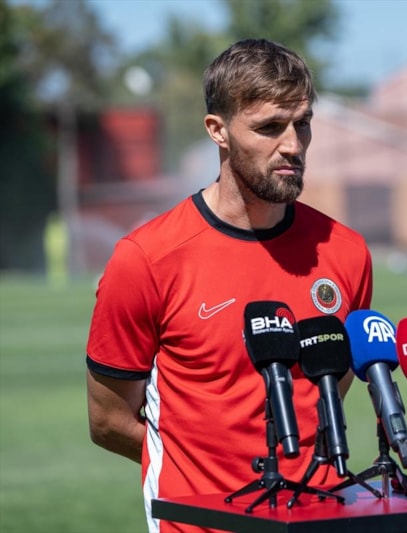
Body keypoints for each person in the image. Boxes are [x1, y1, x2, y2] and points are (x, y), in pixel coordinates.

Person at [86, 39, 372, 533]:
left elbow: (330, 392)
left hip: (320, 519)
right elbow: (108, 420)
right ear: (217, 130)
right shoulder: (146, 259)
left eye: (302, 123)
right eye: (269, 127)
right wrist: (202, 479)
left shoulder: (346, 251)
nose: (293, 145)